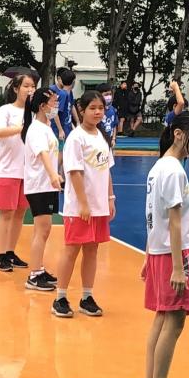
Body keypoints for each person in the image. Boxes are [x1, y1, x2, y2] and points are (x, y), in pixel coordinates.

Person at [142, 111, 189, 378]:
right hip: (175, 253)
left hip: (160, 251)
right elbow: (173, 221)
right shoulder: (173, 171)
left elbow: (151, 215)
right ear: (179, 134)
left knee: (162, 316)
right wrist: (179, 267)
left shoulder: (160, 167)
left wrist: (149, 254)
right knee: (175, 319)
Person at [51, 91, 113, 318]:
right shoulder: (76, 138)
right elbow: (74, 172)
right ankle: (60, 297)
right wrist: (84, 204)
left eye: (100, 108)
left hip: (99, 205)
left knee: (92, 249)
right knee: (72, 249)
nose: (97, 112)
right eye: (92, 108)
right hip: (79, 207)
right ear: (82, 110)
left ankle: (87, 297)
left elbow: (107, 169)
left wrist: (110, 198)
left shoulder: (101, 136)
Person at [0, 73, 36, 272]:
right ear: (16, 89)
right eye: (26, 86)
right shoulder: (5, 110)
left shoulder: (34, 113)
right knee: (6, 213)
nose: (30, 89)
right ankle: (1, 254)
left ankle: (10, 251)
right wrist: (20, 128)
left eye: (32, 86)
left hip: (27, 170)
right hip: (7, 168)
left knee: (20, 213)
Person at [21, 87, 62, 292]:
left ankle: (39, 268)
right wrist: (53, 175)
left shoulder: (46, 127)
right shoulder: (36, 129)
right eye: (54, 102)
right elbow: (43, 154)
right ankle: (34, 275)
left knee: (42, 229)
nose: (56, 106)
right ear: (42, 106)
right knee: (43, 229)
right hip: (39, 185)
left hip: (46, 185)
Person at [51, 67, 77, 142]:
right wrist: (60, 130)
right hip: (60, 129)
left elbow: (70, 109)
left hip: (67, 127)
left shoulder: (68, 93)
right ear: (73, 82)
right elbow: (55, 112)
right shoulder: (62, 94)